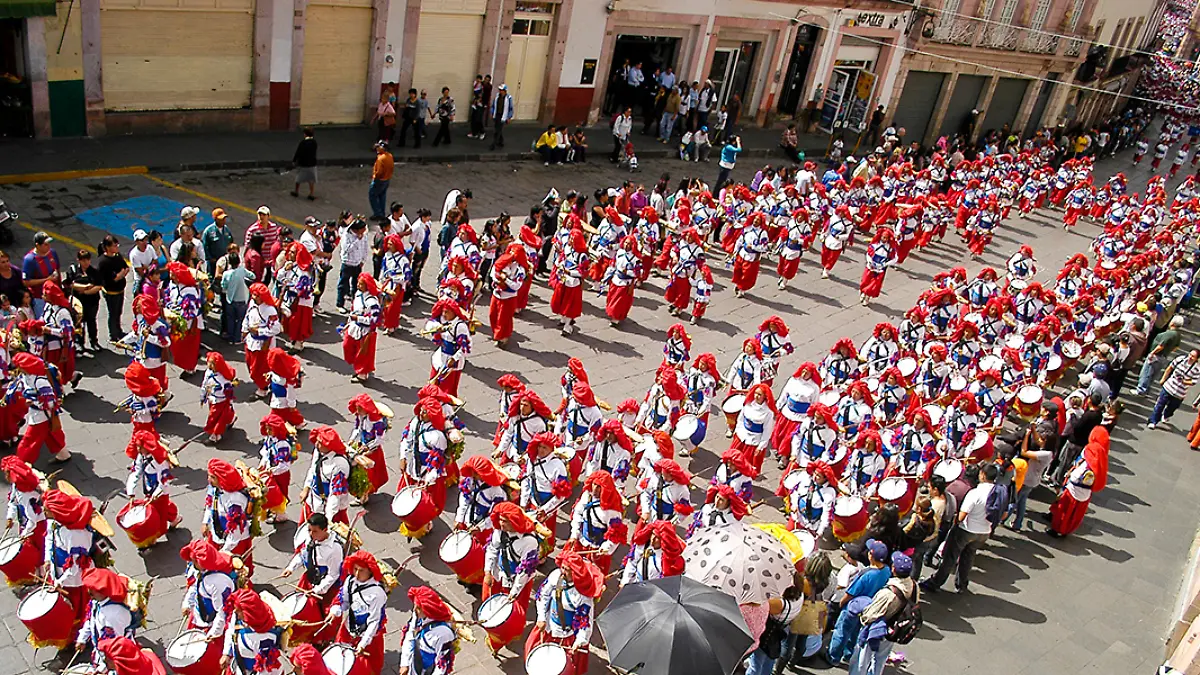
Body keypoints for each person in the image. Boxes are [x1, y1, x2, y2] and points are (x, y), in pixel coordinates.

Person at [921, 462, 997, 595]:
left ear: (983, 475)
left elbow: (962, 515)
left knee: (950, 557)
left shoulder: (975, 493)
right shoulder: (997, 492)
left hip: (967, 530)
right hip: (984, 532)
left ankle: (935, 583)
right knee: (968, 556)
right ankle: (961, 585)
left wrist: (955, 523)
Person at [848, 553, 918, 675]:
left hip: (877, 630)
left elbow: (869, 616)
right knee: (880, 659)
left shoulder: (888, 592)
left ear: (894, 569)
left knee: (862, 660)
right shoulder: (914, 585)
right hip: (895, 629)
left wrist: (862, 614)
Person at [1048, 427, 1109, 537]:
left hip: (1074, 487)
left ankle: (1057, 528)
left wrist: (1070, 477)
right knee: (1073, 514)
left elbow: (1080, 470)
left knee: (1064, 510)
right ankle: (1065, 529)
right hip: (1085, 491)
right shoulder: (1102, 455)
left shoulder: (1091, 450)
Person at [8, 353, 68, 463]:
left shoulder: (41, 381)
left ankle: (22, 463)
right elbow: (20, 385)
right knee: (52, 432)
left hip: (41, 415)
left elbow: (50, 403)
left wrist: (33, 403)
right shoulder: (25, 376)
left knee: (29, 441)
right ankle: (63, 454)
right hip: (37, 414)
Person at [398, 586, 457, 675]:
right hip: (414, 664)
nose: (414, 610)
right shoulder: (418, 615)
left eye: (418, 608)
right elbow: (410, 635)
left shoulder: (444, 634)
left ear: (427, 609)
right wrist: (405, 663)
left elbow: (442, 666)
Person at [1149, 348, 1200, 429]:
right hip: (1169, 387)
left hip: (1180, 393)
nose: (1190, 357)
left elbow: (1193, 382)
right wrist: (1163, 379)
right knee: (1159, 405)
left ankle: (1166, 415)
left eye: (1193, 356)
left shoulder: (1197, 369)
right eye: (1190, 354)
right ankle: (1153, 421)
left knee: (1172, 407)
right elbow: (1170, 368)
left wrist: (1184, 382)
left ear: (1197, 359)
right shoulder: (1180, 359)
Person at [1137, 315, 1185, 395]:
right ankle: (1146, 390)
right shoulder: (1178, 335)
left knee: (1146, 373)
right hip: (1164, 356)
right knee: (1152, 375)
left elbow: (1161, 346)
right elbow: (1175, 348)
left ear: (1172, 323)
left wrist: (1152, 353)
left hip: (1157, 355)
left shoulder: (1168, 334)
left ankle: (1141, 390)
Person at [23, 231, 60, 317]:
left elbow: (57, 268)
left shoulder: (52, 253)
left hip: (55, 295)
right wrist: (47, 279)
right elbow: (26, 281)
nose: (48, 246)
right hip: (40, 298)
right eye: (45, 244)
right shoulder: (30, 260)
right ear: (37, 245)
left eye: (48, 244)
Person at [337, 217, 370, 311]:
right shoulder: (346, 236)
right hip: (347, 263)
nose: (364, 231)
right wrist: (357, 240)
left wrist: (363, 261)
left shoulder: (363, 236)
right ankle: (340, 304)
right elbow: (347, 249)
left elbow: (365, 249)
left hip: (357, 264)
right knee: (343, 284)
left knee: (357, 285)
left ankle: (356, 303)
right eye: (362, 229)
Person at [489, 84, 514, 150]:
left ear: (505, 91)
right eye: (499, 90)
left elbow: (510, 108)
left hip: (503, 116)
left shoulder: (508, 98)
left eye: (502, 90)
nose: (500, 91)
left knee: (498, 130)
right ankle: (501, 141)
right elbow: (493, 106)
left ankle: (493, 144)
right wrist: (491, 113)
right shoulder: (497, 97)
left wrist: (509, 117)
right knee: (497, 128)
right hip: (497, 114)